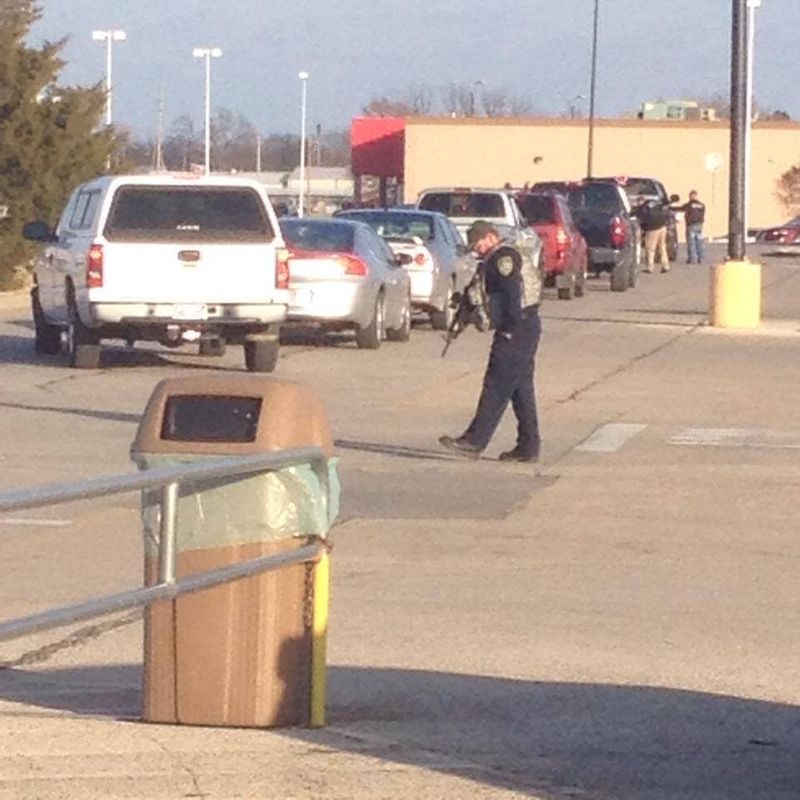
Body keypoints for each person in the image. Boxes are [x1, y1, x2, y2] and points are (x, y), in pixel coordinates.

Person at [439, 221, 543, 463]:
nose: (476, 249)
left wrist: (510, 328)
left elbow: (512, 295)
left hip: (517, 329)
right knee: (520, 390)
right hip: (524, 327)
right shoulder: (495, 258)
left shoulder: (503, 258)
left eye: (478, 243)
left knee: (496, 386)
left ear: (490, 237)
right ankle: (528, 446)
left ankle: (474, 441)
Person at [638, 199, 670, 274]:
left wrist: (643, 229)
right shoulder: (656, 203)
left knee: (650, 248)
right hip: (662, 226)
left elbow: (643, 220)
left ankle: (650, 267)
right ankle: (665, 265)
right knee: (662, 247)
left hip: (652, 229)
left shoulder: (643, 208)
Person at [681, 190, 706, 264]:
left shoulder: (689, 205)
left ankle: (691, 258)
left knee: (691, 242)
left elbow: (682, 209)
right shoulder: (701, 205)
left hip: (691, 225)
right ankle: (700, 258)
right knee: (699, 242)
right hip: (699, 225)